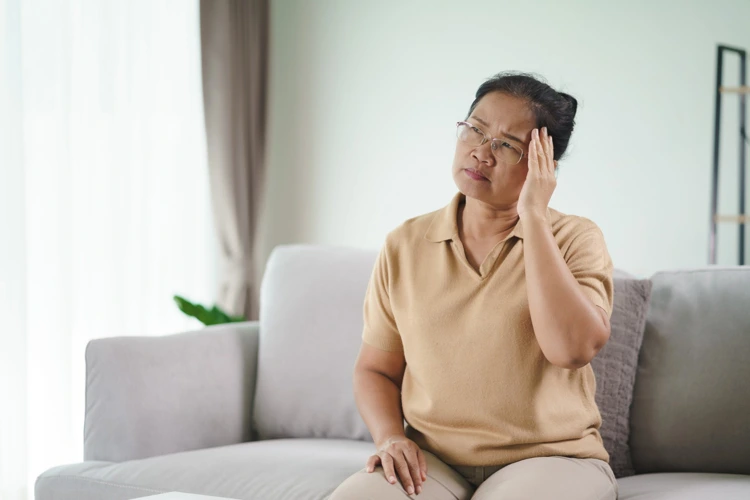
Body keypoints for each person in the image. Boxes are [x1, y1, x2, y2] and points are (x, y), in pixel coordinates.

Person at [330, 72, 618, 500]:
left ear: (543, 165)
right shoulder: (404, 244)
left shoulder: (576, 238)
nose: (481, 152)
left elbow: (571, 350)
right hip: (434, 462)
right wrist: (391, 438)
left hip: (552, 460)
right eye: (475, 130)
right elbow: (375, 370)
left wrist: (534, 218)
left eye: (507, 145)